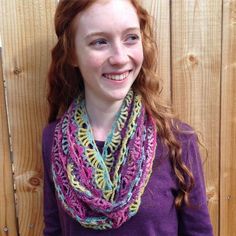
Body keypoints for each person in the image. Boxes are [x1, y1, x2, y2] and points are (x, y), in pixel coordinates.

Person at [42, 0, 213, 235]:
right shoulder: (54, 140)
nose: (120, 58)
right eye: (99, 42)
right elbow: (54, 230)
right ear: (72, 53)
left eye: (131, 38)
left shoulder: (177, 139)